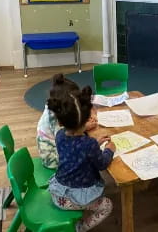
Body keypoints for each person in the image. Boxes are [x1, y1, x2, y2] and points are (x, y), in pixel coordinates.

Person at [47, 85, 115, 232]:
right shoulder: (88, 144)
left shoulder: (60, 135)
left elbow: (75, 152)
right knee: (107, 205)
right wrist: (110, 150)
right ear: (86, 121)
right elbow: (102, 164)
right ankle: (80, 228)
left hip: (57, 192)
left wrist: (95, 144)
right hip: (72, 199)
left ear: (61, 122)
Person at [37, 73, 97, 169]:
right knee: (88, 158)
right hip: (53, 159)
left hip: (56, 148)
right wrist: (83, 126)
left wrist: (80, 117)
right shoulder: (54, 118)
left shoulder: (57, 108)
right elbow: (66, 139)